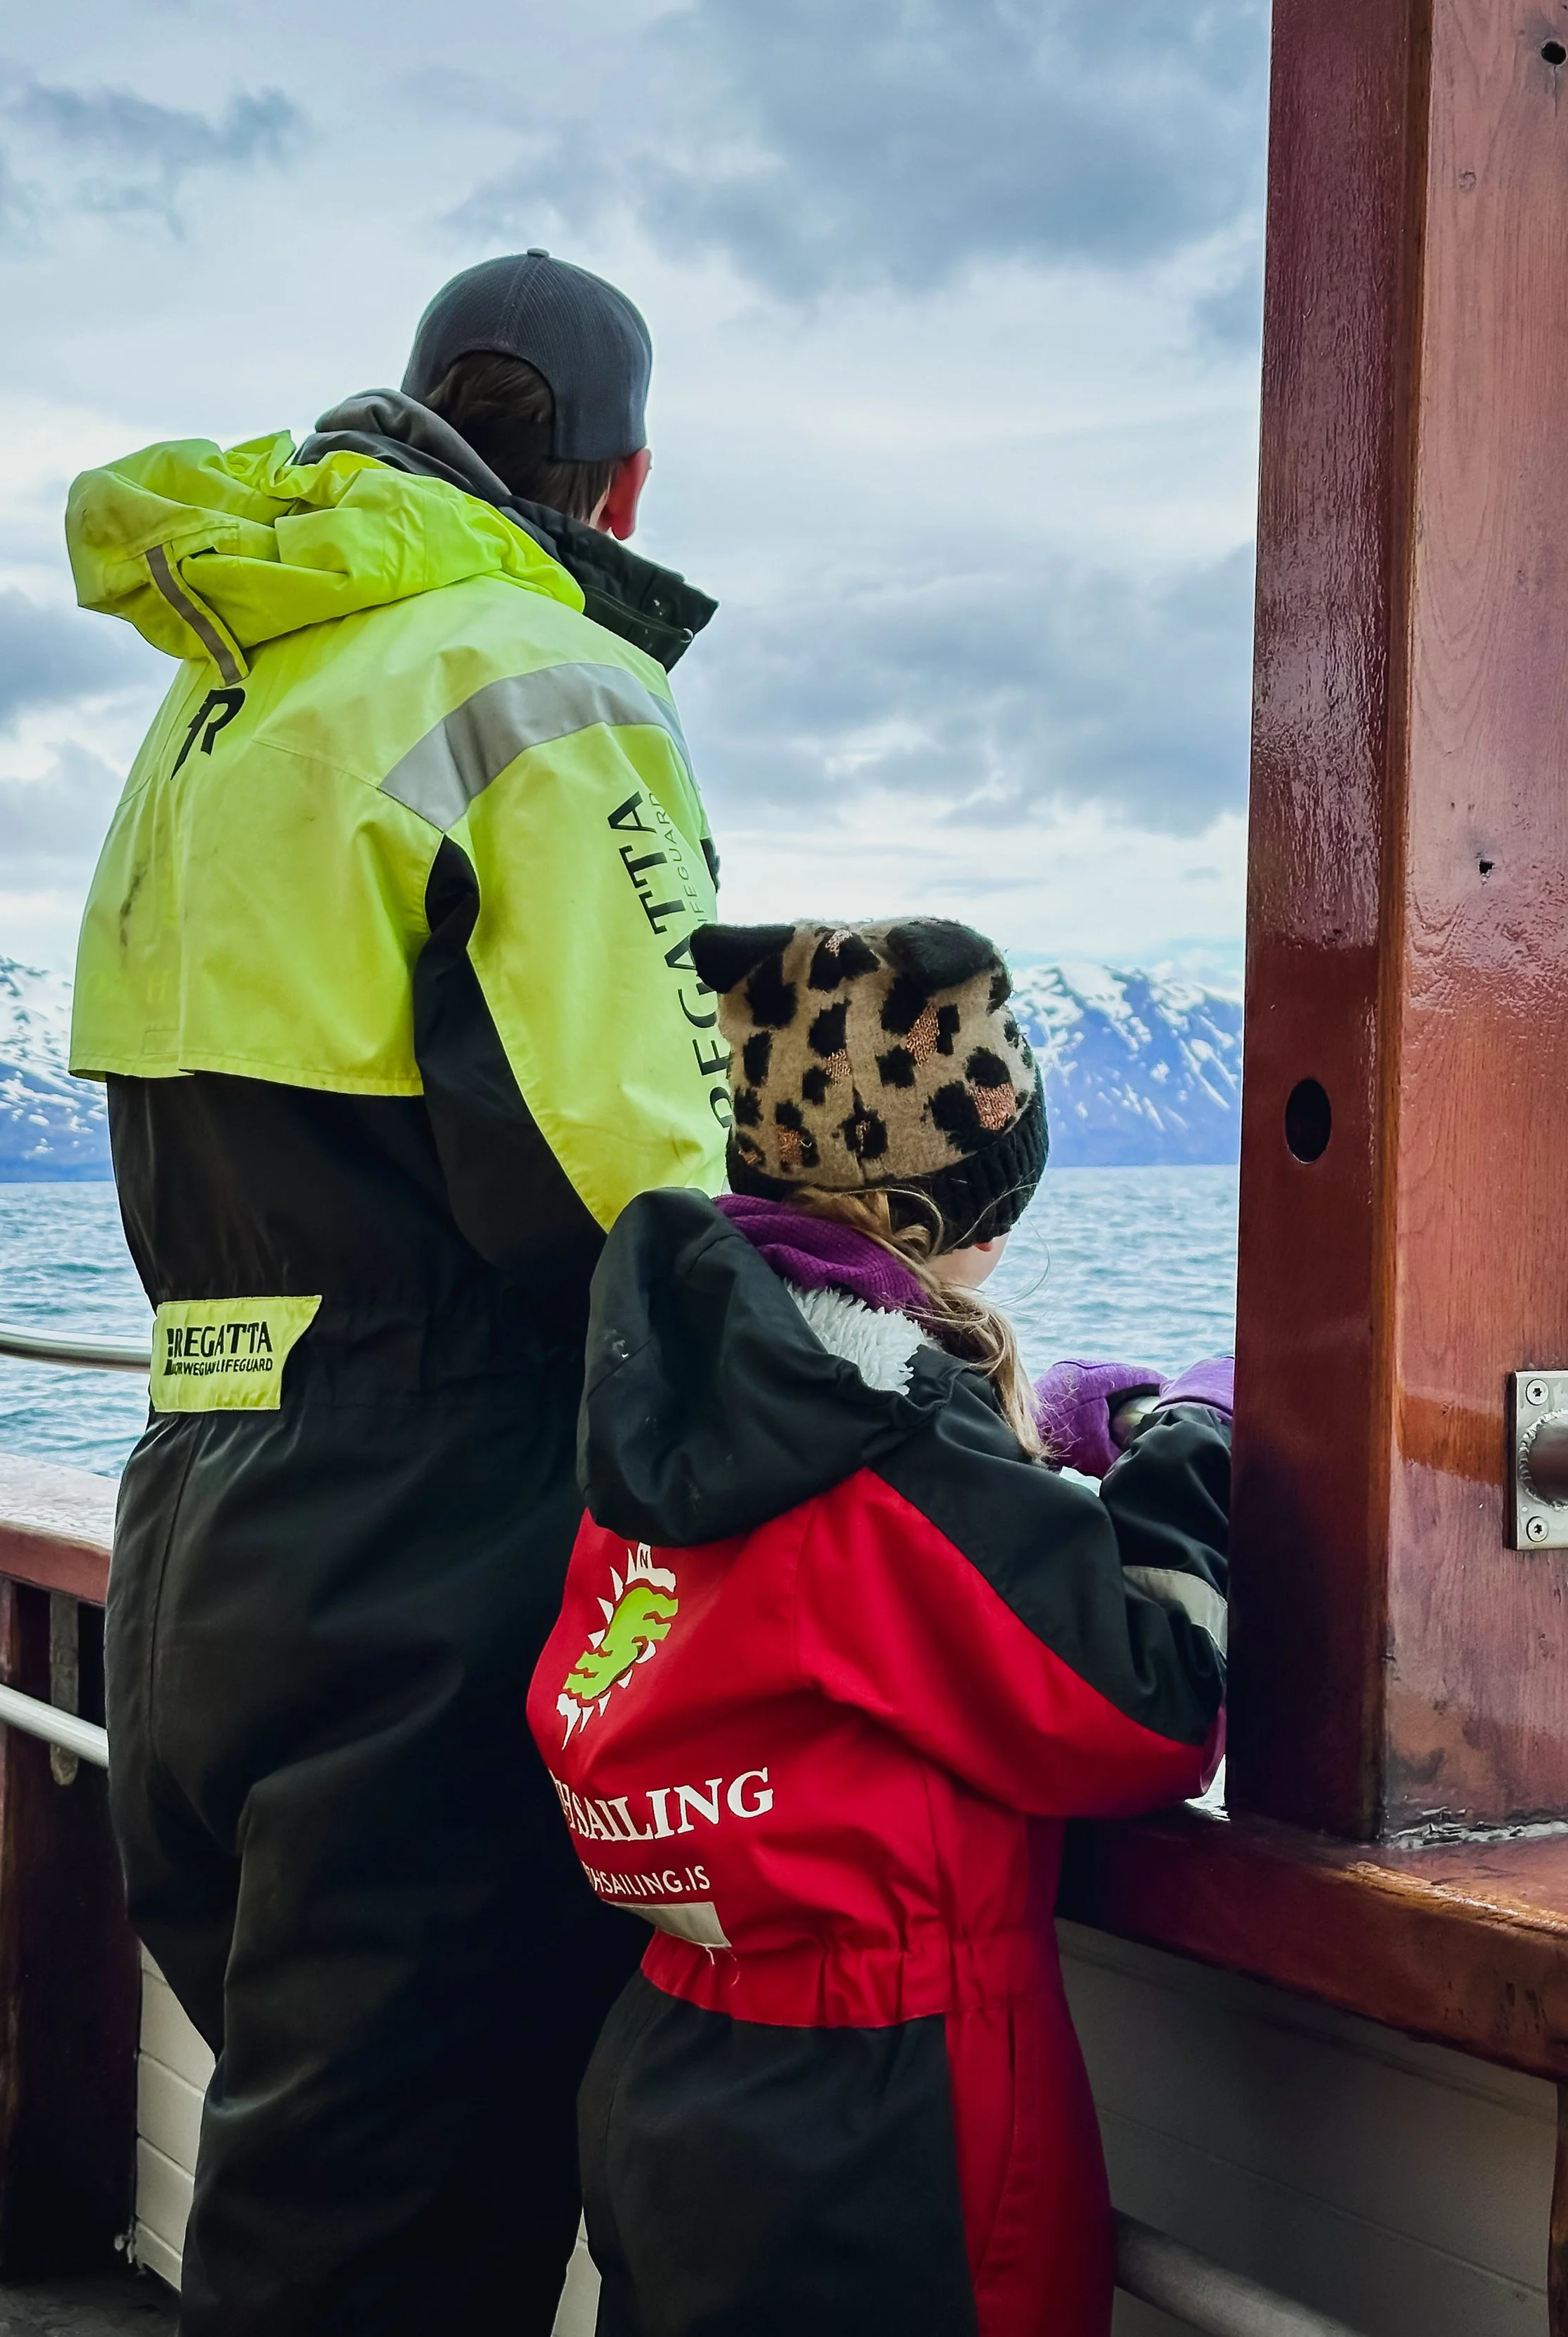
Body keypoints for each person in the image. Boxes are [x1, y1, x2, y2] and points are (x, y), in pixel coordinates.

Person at [64, 252, 726, 2336]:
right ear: (624, 485)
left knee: (323, 2173)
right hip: (437, 1532)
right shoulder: (540, 672)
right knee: (397, 2226)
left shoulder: (232, 672)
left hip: (202, 1515)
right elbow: (640, 1180)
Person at [526, 917, 1232, 2337]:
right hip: (880, 2113)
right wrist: (1192, 1447)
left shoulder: (683, 1386)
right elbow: (1148, 1705)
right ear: (939, 1217)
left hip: (676, 2063)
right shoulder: (881, 1454)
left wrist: (1010, 1454)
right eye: (995, 1209)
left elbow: (824, 1612)